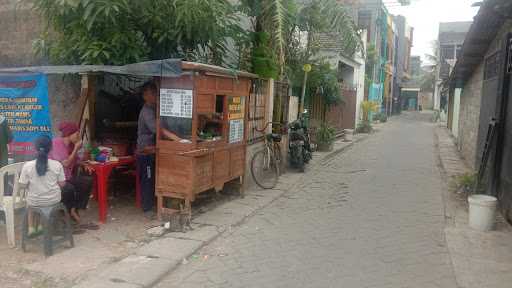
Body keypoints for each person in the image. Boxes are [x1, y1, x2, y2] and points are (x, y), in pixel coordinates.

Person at [49, 122, 94, 227]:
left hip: (67, 177)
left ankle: (74, 209)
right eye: (77, 134)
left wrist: (83, 164)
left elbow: (76, 160)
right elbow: (66, 163)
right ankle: (67, 212)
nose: (78, 137)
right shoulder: (57, 143)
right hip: (56, 180)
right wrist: (76, 148)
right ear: (69, 134)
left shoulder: (71, 145)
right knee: (68, 188)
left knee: (87, 181)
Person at [19, 136, 66, 236]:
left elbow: (22, 185)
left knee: (31, 204)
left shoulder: (27, 166)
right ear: (51, 148)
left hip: (35, 200)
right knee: (40, 201)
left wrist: (30, 185)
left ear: (35, 148)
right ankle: (40, 225)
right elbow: (62, 184)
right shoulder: (57, 164)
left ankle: (31, 228)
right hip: (54, 200)